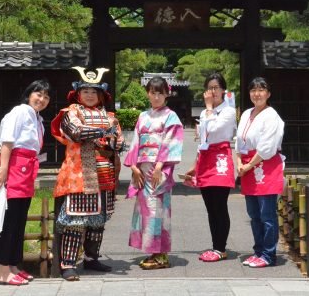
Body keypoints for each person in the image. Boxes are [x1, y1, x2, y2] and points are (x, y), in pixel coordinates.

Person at [50, 67, 124, 280]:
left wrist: (114, 143)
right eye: (86, 91)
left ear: (101, 95)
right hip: (80, 175)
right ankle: (68, 264)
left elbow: (118, 141)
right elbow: (76, 132)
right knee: (76, 221)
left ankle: (92, 258)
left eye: (94, 92)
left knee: (98, 222)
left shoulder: (109, 116)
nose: (90, 95)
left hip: (105, 174)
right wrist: (103, 133)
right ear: (78, 94)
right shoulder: (71, 113)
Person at [0, 79, 51, 286]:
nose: (42, 99)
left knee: (19, 218)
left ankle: (13, 265)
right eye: (38, 94)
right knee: (8, 218)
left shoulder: (37, 119)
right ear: (29, 94)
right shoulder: (19, 112)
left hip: (26, 169)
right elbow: (7, 141)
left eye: (46, 97)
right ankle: (3, 270)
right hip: (13, 167)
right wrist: (3, 168)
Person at [124, 76, 184, 270]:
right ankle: (153, 251)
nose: (156, 96)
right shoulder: (143, 116)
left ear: (167, 94)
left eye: (160, 92)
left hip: (159, 169)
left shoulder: (171, 116)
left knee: (158, 210)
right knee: (145, 211)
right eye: (152, 92)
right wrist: (133, 166)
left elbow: (171, 141)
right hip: (142, 168)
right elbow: (136, 141)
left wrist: (159, 166)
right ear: (148, 93)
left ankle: (161, 253)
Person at [184, 73, 236, 262]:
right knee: (210, 207)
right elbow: (203, 140)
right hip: (205, 159)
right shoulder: (207, 113)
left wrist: (207, 109)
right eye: (210, 88)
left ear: (223, 90)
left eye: (216, 87)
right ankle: (216, 246)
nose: (212, 91)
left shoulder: (228, 111)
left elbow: (213, 130)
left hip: (220, 159)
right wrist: (194, 166)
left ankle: (221, 248)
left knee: (220, 205)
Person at [235, 77, 285, 268]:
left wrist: (247, 166)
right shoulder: (247, 113)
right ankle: (258, 251)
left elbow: (266, 147)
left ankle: (268, 255)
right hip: (247, 166)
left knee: (267, 215)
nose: (257, 93)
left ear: (268, 93)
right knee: (254, 214)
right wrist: (239, 161)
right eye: (253, 90)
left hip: (265, 166)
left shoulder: (272, 116)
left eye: (261, 89)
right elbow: (240, 141)